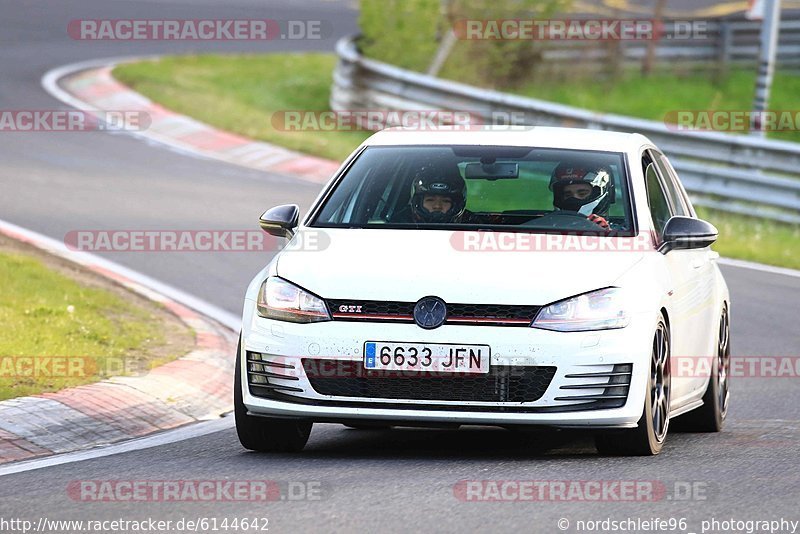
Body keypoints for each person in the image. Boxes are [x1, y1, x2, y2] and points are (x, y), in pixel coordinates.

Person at [549, 163, 615, 230]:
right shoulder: (547, 225)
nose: (574, 199)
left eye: (582, 194)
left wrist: (606, 233)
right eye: (568, 195)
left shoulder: (620, 233)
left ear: (597, 193)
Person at [393, 170, 468, 224]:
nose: (437, 206)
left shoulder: (471, 224)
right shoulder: (397, 224)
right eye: (430, 200)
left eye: (446, 201)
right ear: (418, 202)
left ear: (456, 205)